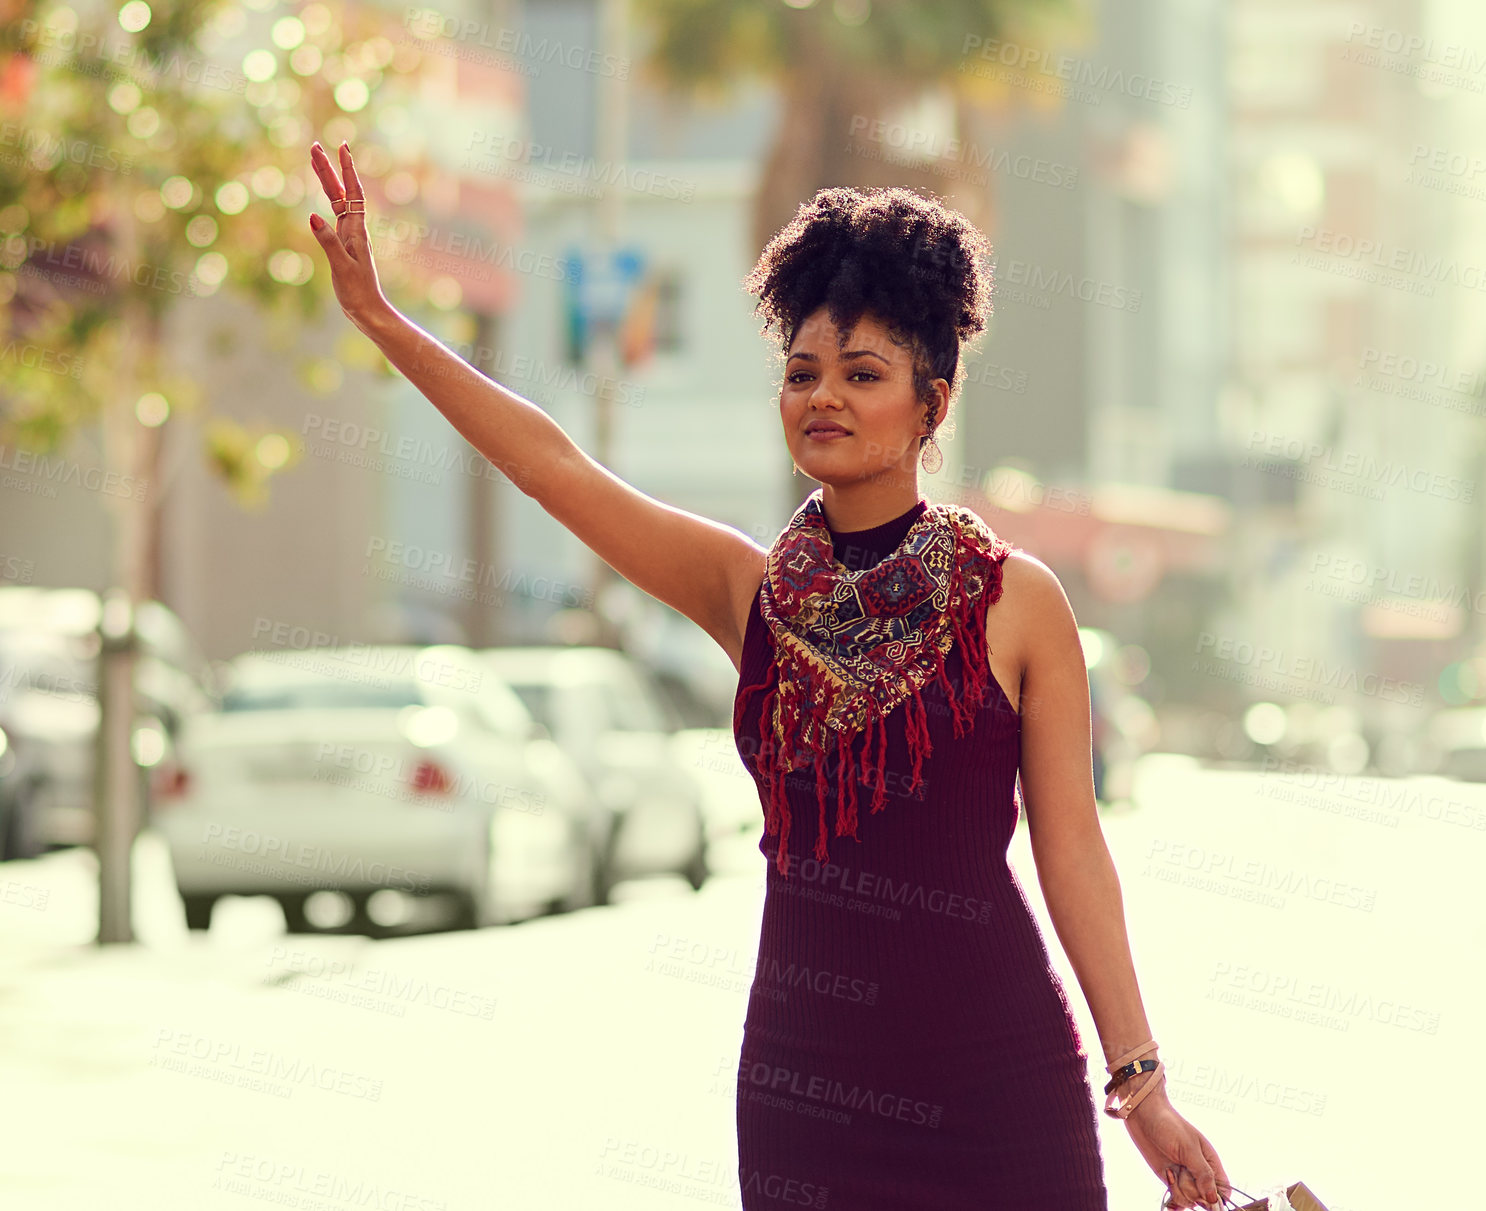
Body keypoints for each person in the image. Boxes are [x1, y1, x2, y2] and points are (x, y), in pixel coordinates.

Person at [308, 142, 1233, 1211]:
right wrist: (382, 318)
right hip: (810, 1085)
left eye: (864, 373)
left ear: (934, 404)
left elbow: (1073, 851)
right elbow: (556, 466)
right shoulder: (747, 592)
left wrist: (1142, 1084)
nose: (824, 395)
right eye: (803, 372)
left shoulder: (1016, 600)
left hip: (1000, 1074)